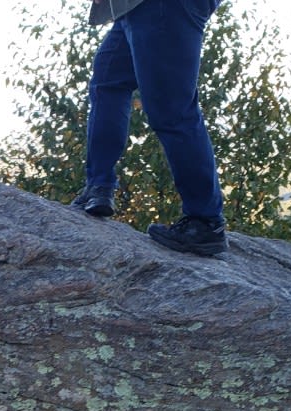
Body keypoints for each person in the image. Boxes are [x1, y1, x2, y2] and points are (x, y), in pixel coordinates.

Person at [71, 0, 227, 257]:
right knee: (108, 81)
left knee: (173, 111)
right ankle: (98, 186)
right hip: (136, 7)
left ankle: (205, 221)